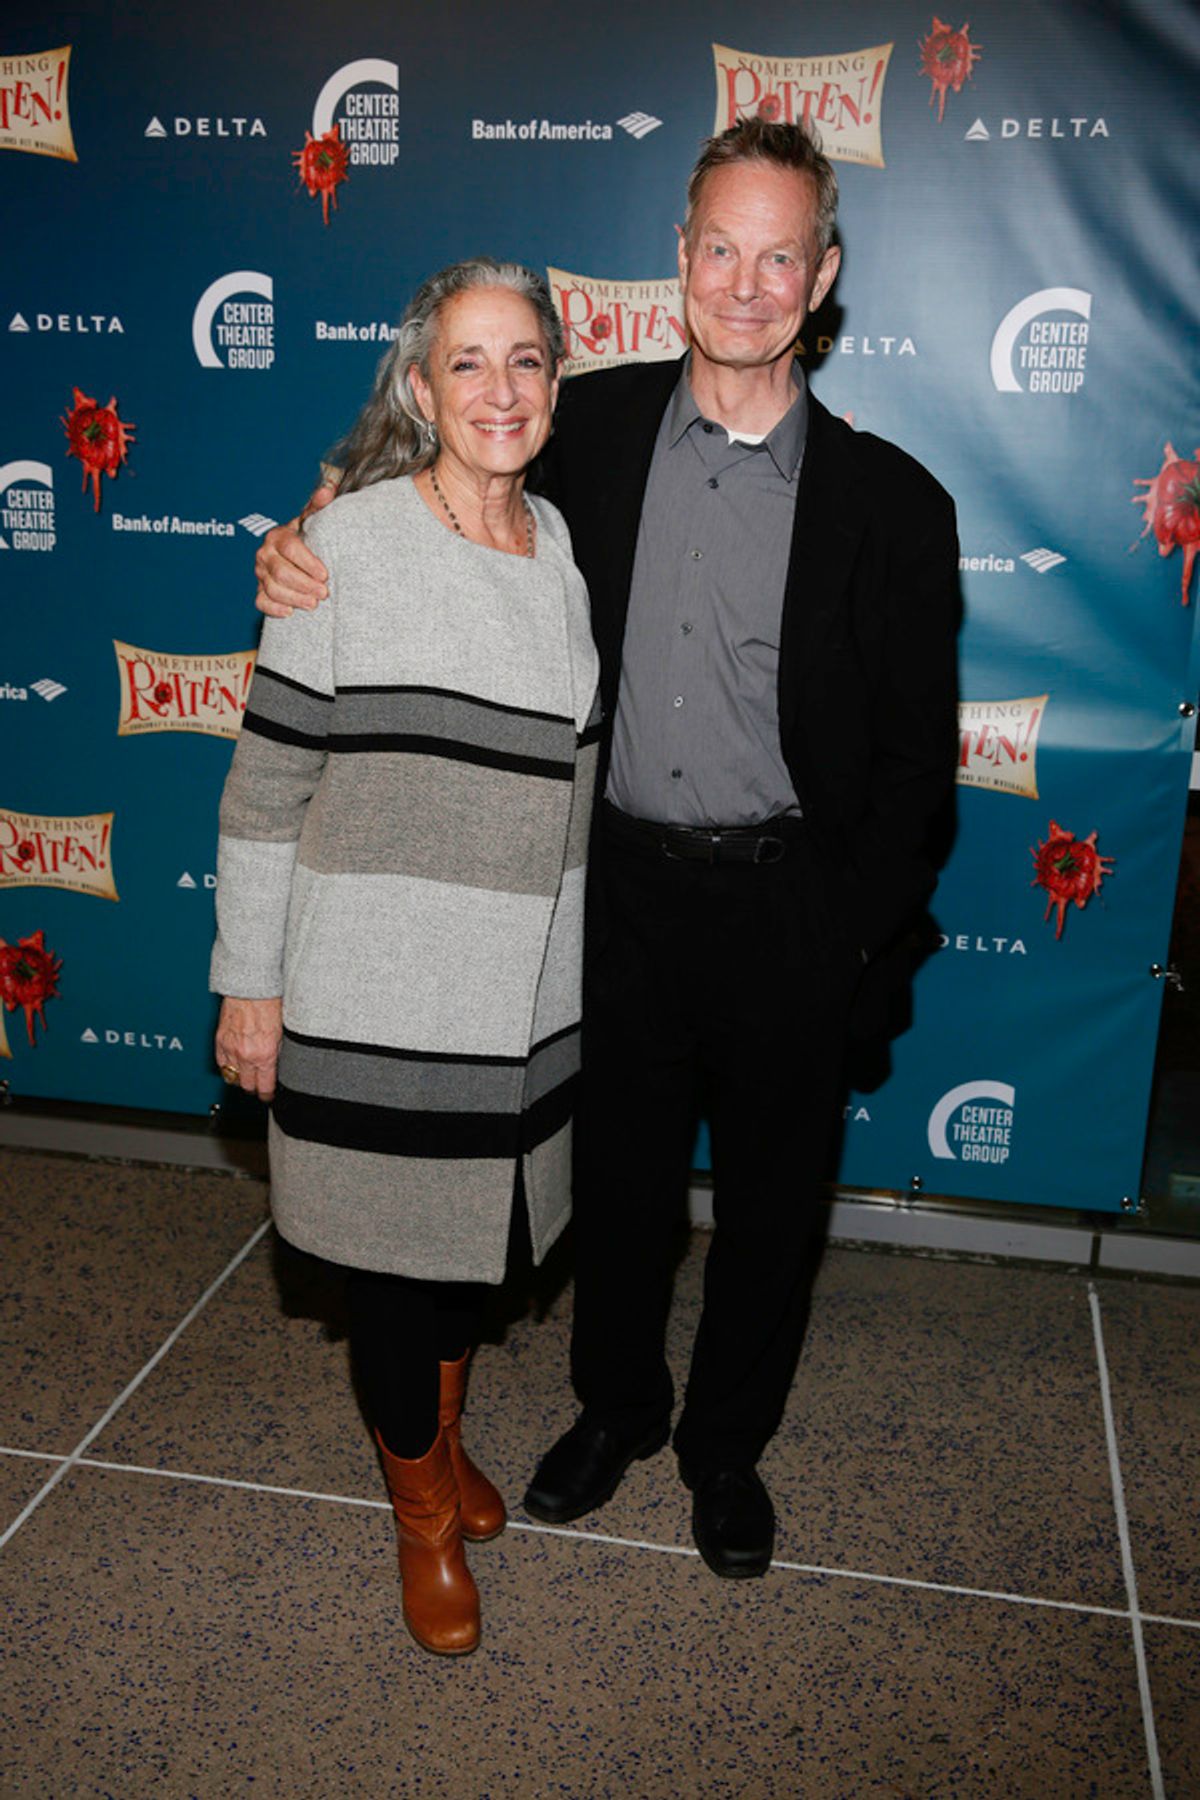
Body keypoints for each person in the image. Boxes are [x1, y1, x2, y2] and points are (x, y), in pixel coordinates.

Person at [254, 120, 960, 1582]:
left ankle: (724, 1448)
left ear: (822, 276)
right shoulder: (593, 429)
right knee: (620, 1193)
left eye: (781, 257)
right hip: (614, 902)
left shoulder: (899, 507)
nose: (748, 285)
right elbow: (449, 463)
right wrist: (308, 531)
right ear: (680, 257)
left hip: (791, 912)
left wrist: (844, 938)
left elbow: (914, 775)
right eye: (722, 250)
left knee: (773, 1211)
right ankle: (617, 1409)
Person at [212, 258, 599, 1655]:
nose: (499, 389)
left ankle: (440, 1443)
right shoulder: (349, 547)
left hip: (518, 995)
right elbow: (264, 790)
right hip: (372, 989)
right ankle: (420, 1513)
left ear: (556, 383)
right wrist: (249, 985)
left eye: (525, 362)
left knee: (464, 1260)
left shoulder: (559, 549)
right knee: (392, 1271)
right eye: (469, 362)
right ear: (421, 386)